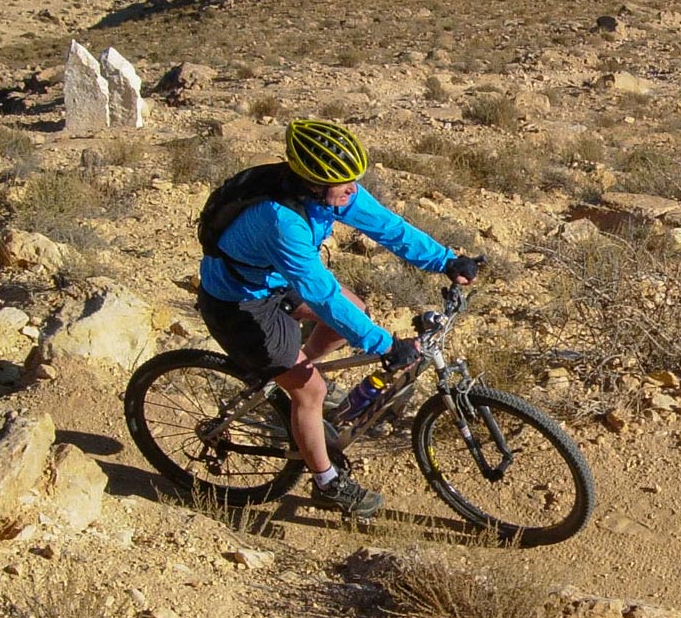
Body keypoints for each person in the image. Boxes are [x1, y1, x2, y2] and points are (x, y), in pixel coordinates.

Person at [195, 119, 479, 516]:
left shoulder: (331, 193)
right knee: (310, 392)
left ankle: (297, 379)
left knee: (353, 313)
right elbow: (320, 292)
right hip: (238, 303)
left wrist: (445, 260)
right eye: (344, 183)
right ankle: (327, 483)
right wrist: (385, 345)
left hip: (275, 277)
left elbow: (388, 227)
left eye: (353, 180)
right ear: (312, 183)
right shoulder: (281, 221)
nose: (352, 190)